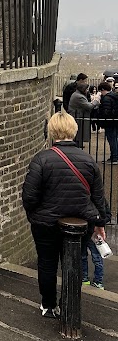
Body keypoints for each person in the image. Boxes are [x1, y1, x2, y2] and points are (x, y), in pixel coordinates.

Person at [22, 111, 107, 318]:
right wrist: (100, 223)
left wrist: (36, 215)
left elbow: (29, 196)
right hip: (81, 222)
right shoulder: (88, 160)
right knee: (75, 263)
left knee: (47, 263)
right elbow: (98, 197)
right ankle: (69, 304)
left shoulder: (41, 159)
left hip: (46, 223)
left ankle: (49, 305)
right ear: (73, 130)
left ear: (52, 131)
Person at [82, 197, 110, 289]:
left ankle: (97, 280)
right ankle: (86, 278)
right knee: (84, 256)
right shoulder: (98, 198)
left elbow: (107, 215)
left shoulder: (97, 199)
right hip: (88, 232)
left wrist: (98, 224)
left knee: (96, 258)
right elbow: (108, 215)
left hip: (93, 233)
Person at [68, 76, 96, 148]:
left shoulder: (77, 94)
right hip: (77, 117)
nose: (87, 91)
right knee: (77, 134)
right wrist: (96, 102)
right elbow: (88, 106)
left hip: (78, 116)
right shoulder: (79, 97)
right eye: (86, 89)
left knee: (78, 134)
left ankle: (78, 146)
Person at [96, 80, 118, 163]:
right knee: (115, 139)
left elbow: (106, 111)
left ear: (103, 89)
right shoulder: (114, 96)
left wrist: (99, 113)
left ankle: (114, 157)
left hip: (109, 122)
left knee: (112, 139)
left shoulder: (106, 98)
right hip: (115, 121)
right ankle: (115, 156)